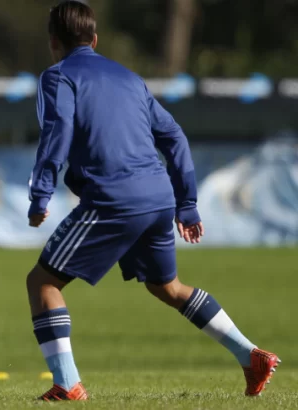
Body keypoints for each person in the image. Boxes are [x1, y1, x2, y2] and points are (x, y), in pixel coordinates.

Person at [25, 1, 279, 401]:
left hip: (112, 198)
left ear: (53, 42)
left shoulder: (57, 77)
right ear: (95, 40)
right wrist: (186, 203)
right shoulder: (130, 78)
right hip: (159, 197)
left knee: (43, 282)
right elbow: (173, 136)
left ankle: (67, 384)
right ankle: (250, 356)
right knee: (167, 287)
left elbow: (57, 133)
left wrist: (40, 194)